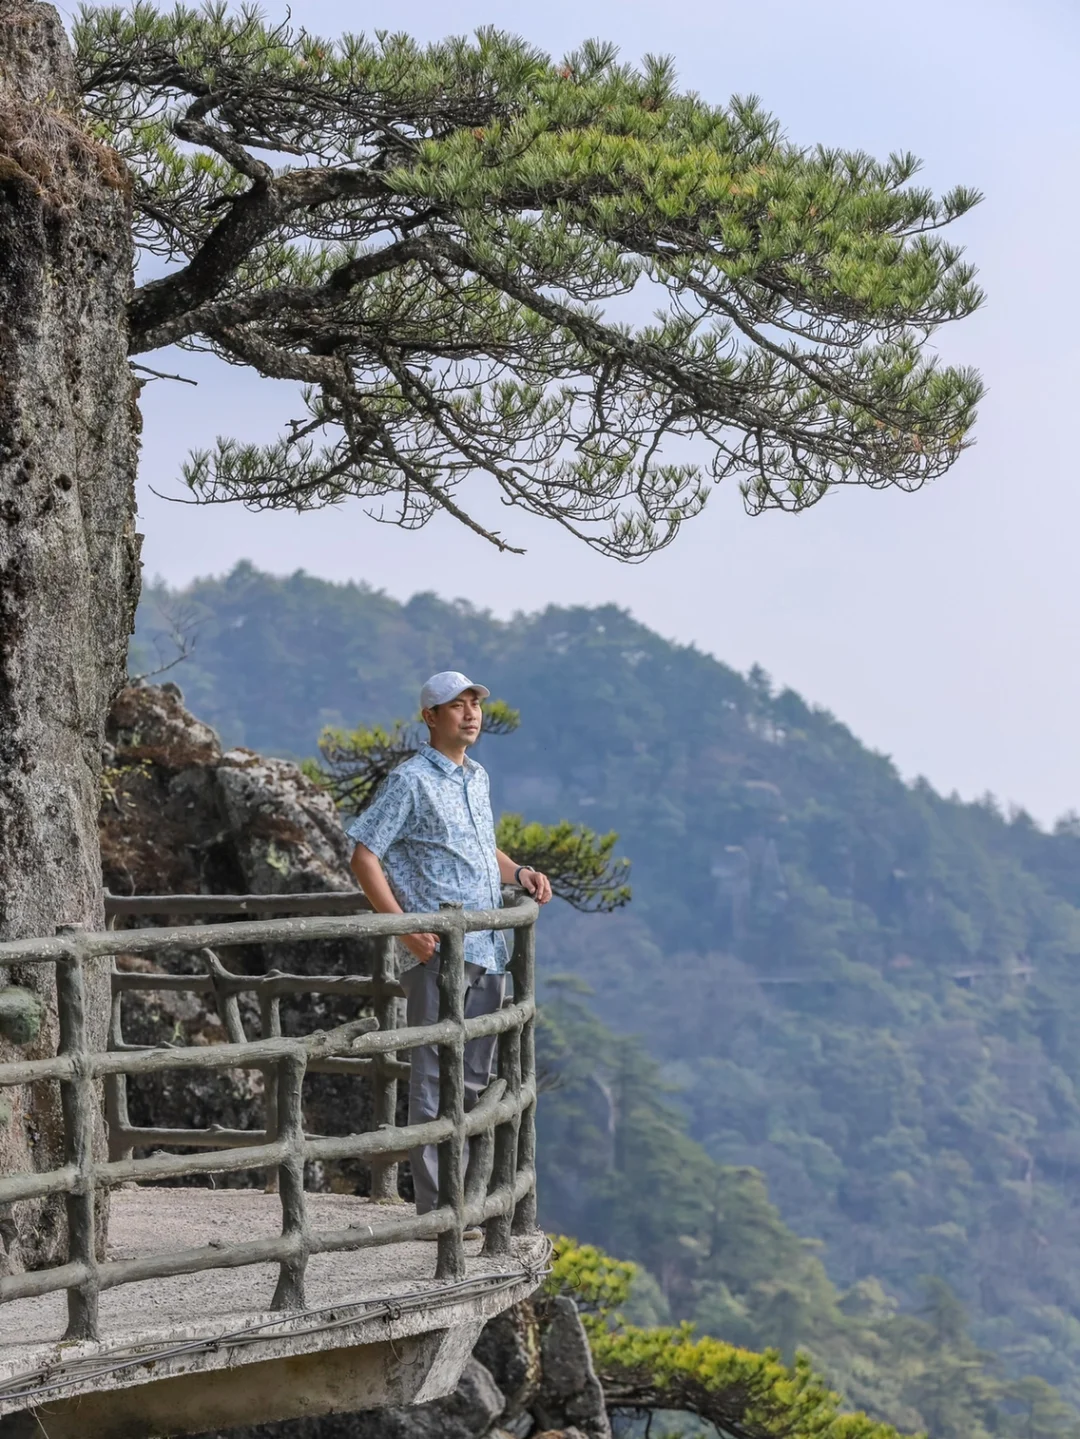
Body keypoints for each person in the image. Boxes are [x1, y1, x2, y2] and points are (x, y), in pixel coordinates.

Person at [347, 670, 552, 1226]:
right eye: (455, 705)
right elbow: (364, 856)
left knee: (472, 1079)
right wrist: (403, 927)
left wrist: (522, 871)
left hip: (488, 947)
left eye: (474, 704)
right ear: (429, 717)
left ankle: (463, 1199)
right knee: (435, 1077)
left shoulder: (477, 777)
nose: (470, 713)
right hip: (438, 953)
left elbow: (483, 850)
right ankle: (437, 1210)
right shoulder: (410, 781)